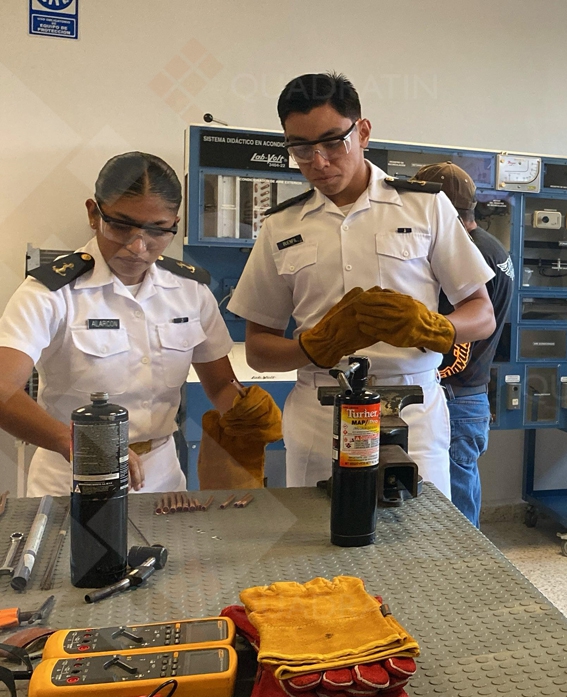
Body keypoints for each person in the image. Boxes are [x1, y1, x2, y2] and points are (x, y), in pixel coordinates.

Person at [228, 73, 496, 494]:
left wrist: (436, 327)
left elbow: (482, 314)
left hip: (413, 410)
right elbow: (259, 349)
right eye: (301, 148)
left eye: (334, 142)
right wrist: (310, 347)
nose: (318, 161)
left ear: (363, 131)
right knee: (316, 547)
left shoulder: (426, 206)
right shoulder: (280, 227)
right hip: (320, 414)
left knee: (420, 544)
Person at [0, 152, 282, 496]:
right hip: (73, 477)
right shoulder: (52, 292)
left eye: (158, 231)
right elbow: (3, 389)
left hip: (162, 477)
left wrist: (242, 410)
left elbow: (220, 383)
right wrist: (75, 442)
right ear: (93, 213)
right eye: (120, 225)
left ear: (174, 223)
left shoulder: (190, 290)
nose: (138, 246)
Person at [411, 162, 513, 527]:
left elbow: (461, 340)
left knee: (452, 508)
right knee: (457, 488)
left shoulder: (469, 254)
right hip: (470, 394)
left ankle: (465, 572)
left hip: (456, 394)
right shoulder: (492, 246)